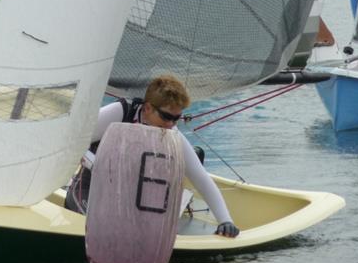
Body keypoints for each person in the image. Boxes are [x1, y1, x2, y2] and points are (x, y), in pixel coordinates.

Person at [64, 74, 240, 238]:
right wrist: (98, 166)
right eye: (166, 117)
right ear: (147, 108)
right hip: (89, 191)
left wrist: (225, 220)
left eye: (176, 118)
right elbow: (71, 142)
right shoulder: (119, 112)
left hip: (128, 202)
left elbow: (200, 178)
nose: (171, 125)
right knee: (111, 230)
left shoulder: (171, 132)